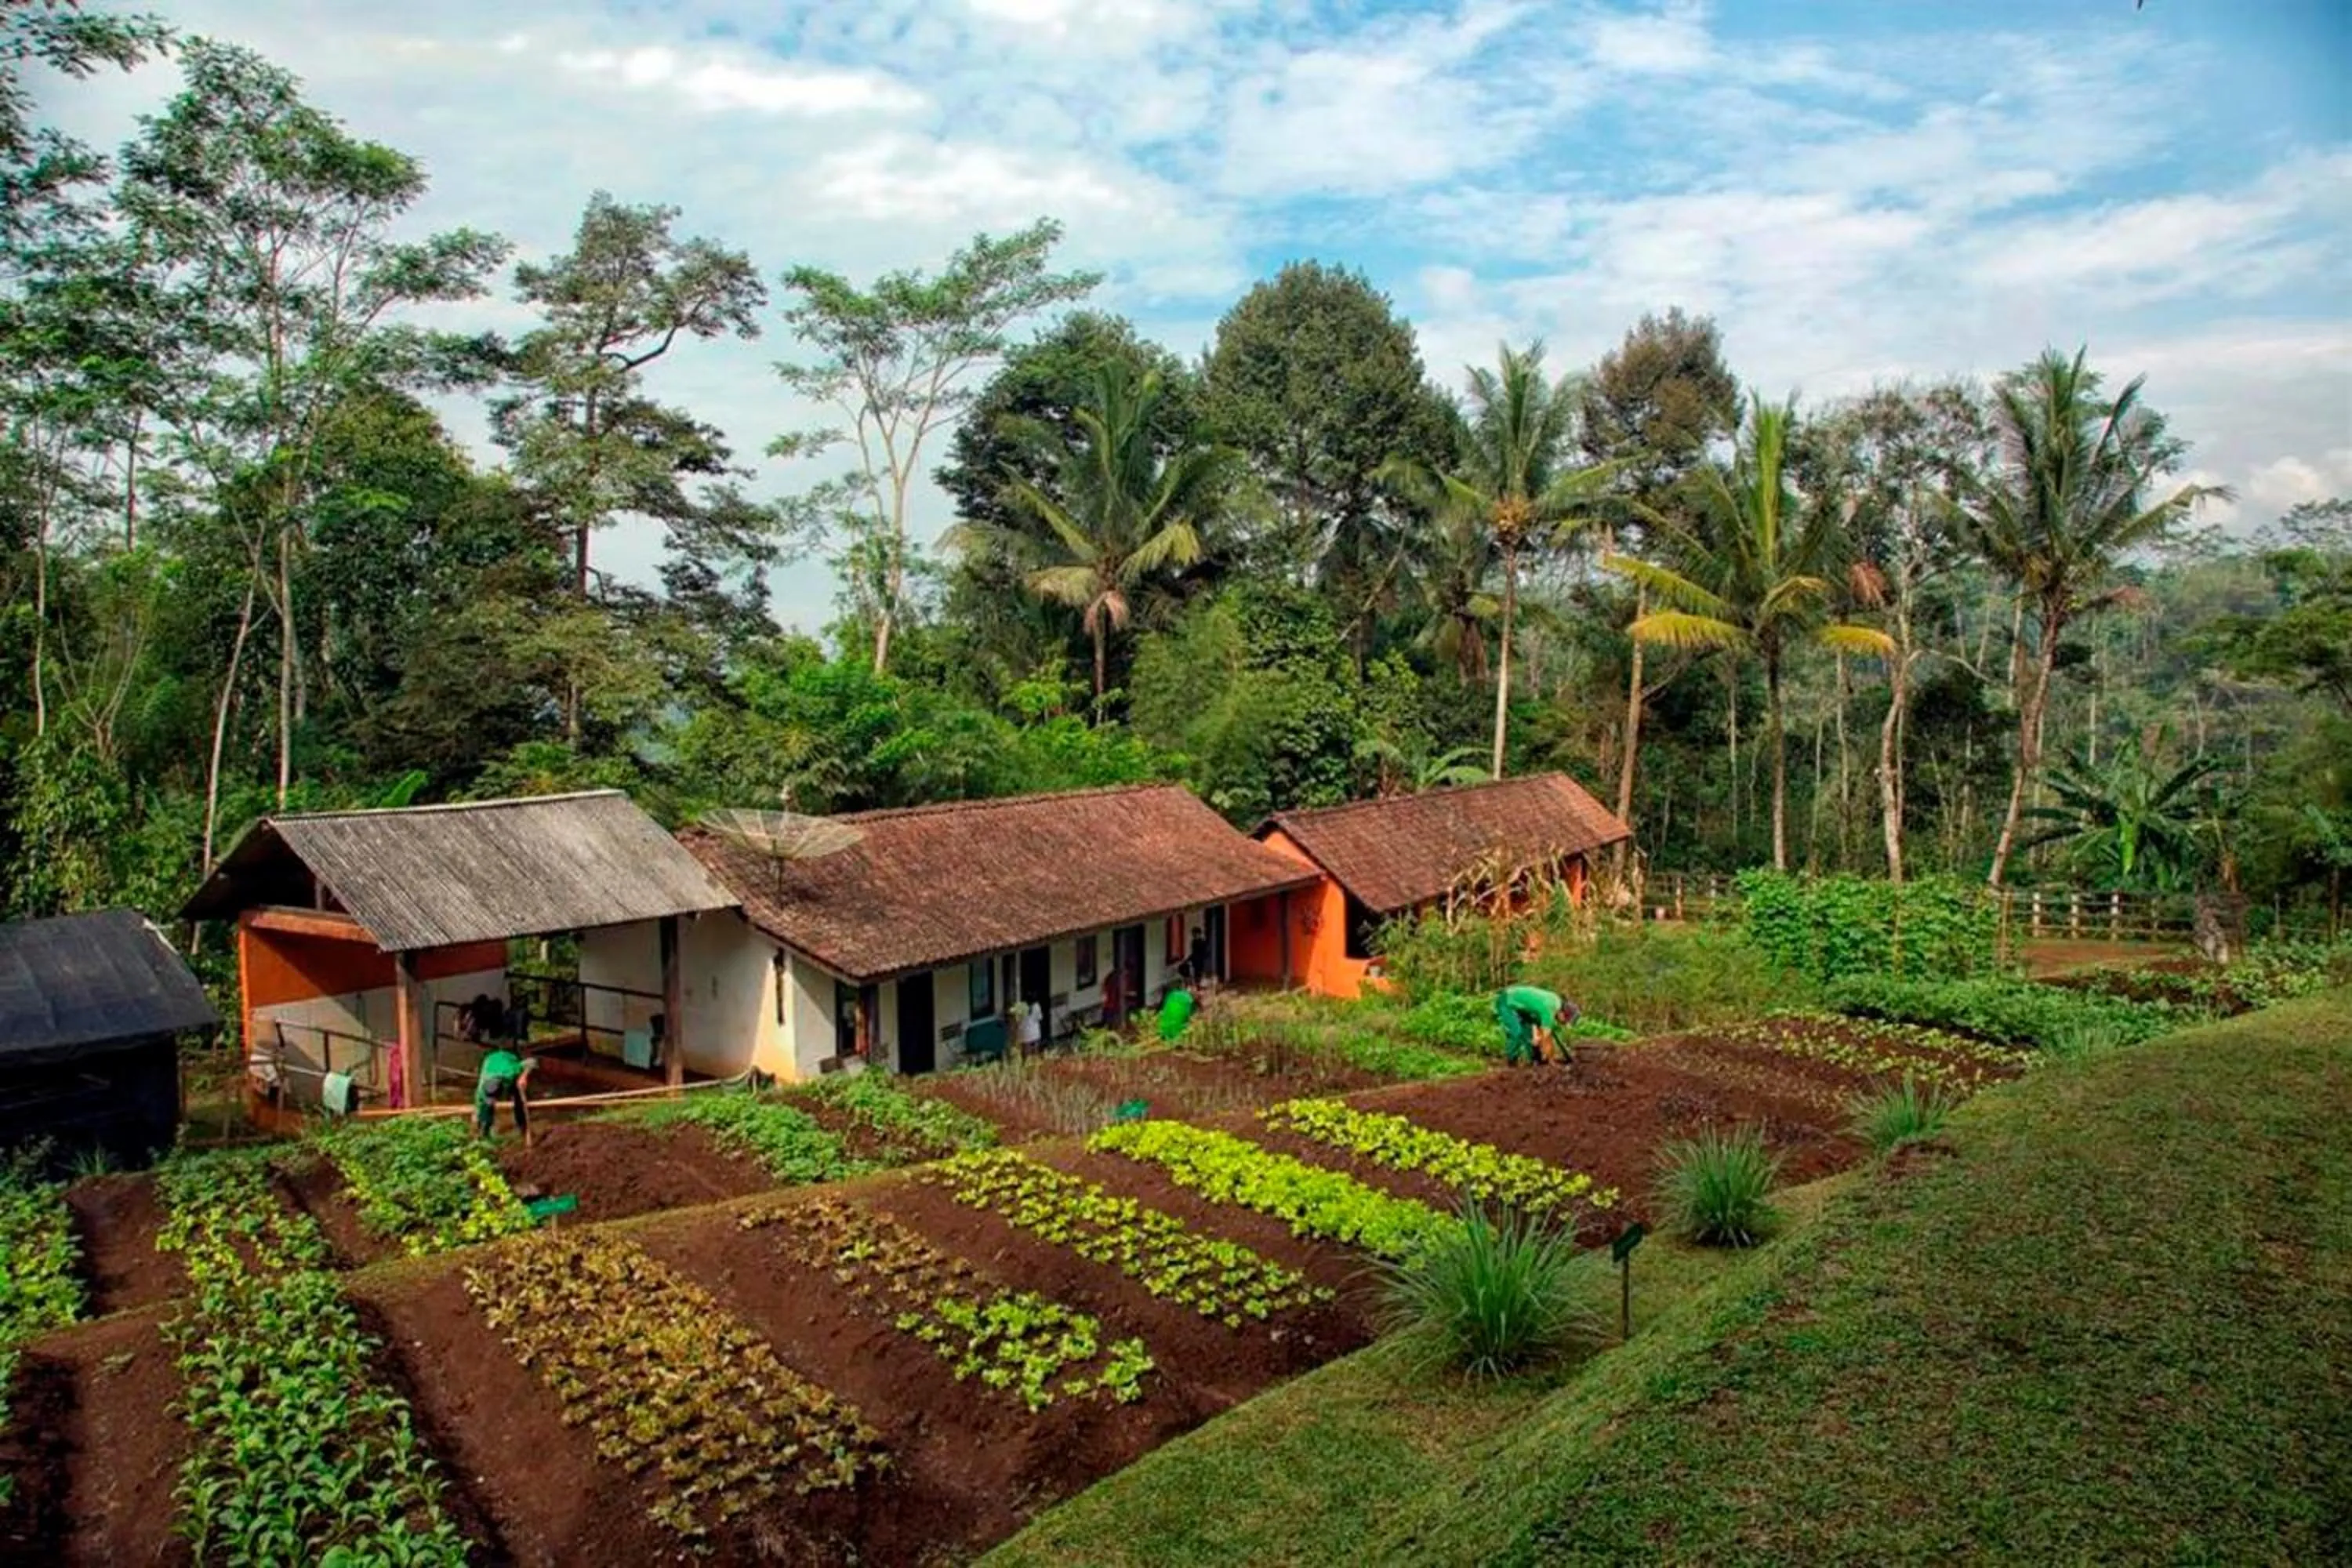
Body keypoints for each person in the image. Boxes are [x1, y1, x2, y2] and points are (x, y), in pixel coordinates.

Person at [1494, 985, 1580, 1067]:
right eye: (1564, 1021)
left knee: (1528, 1034)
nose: (1563, 1024)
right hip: (1507, 1000)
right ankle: (1511, 1061)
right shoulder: (1549, 1009)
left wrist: (1537, 1037)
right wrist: (1551, 1060)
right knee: (1516, 1032)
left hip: (1522, 1007)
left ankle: (1535, 1059)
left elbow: (1538, 1022)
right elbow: (1546, 1037)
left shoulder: (1555, 1000)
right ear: (1563, 1014)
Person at [475, 1047, 537, 1145]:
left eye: (496, 1098)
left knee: (519, 1101)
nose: (495, 1101)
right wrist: (478, 1118)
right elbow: (479, 1104)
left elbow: (532, 1061)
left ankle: (524, 1129)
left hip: (507, 1059)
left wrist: (523, 1077)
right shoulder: (482, 1088)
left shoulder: (512, 1071)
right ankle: (484, 1134)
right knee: (487, 1107)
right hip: (491, 1062)